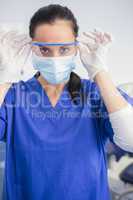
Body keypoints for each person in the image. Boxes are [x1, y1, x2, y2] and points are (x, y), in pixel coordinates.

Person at [0, 4, 133, 200]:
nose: (55, 58)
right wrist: (4, 78)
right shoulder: (12, 96)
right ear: (32, 49)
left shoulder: (96, 94)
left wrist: (99, 72)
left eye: (64, 49)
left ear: (76, 48)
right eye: (44, 50)